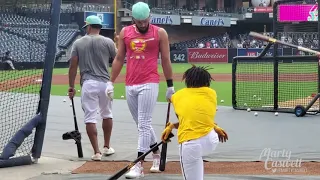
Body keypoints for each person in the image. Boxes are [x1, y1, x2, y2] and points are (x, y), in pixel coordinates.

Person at [111, 1, 175, 178]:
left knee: (144, 123)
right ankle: (156, 154)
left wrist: (170, 85)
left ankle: (138, 165)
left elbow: (166, 59)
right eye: (139, 22)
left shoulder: (159, 33)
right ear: (134, 20)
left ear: (149, 17)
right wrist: (111, 82)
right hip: (130, 83)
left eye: (145, 20)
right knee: (141, 125)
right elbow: (118, 58)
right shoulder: (125, 33)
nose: (142, 24)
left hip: (149, 82)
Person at [161, 65, 229, 180]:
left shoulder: (177, 96)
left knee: (192, 160)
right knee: (197, 160)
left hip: (190, 144)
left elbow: (185, 119)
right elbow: (198, 117)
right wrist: (215, 126)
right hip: (212, 140)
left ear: (187, 80)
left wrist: (171, 126)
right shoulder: (212, 94)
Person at [68, 15, 117, 161]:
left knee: (90, 117)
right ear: (99, 27)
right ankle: (107, 147)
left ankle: (97, 152)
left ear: (88, 27)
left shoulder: (78, 43)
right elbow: (118, 60)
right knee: (107, 114)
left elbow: (73, 66)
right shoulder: (108, 42)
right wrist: (112, 80)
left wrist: (71, 86)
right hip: (105, 83)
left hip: (88, 83)